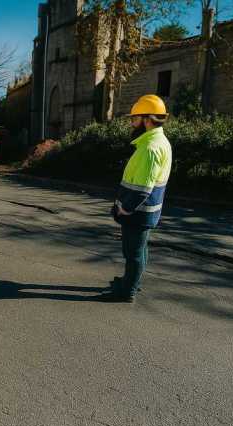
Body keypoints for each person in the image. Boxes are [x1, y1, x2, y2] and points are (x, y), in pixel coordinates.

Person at [99, 94, 172, 303]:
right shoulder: (157, 141)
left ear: (147, 119)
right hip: (145, 210)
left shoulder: (150, 148)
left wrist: (125, 209)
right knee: (140, 250)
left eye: (135, 118)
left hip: (138, 211)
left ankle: (127, 291)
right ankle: (132, 281)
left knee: (133, 253)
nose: (132, 122)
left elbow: (142, 189)